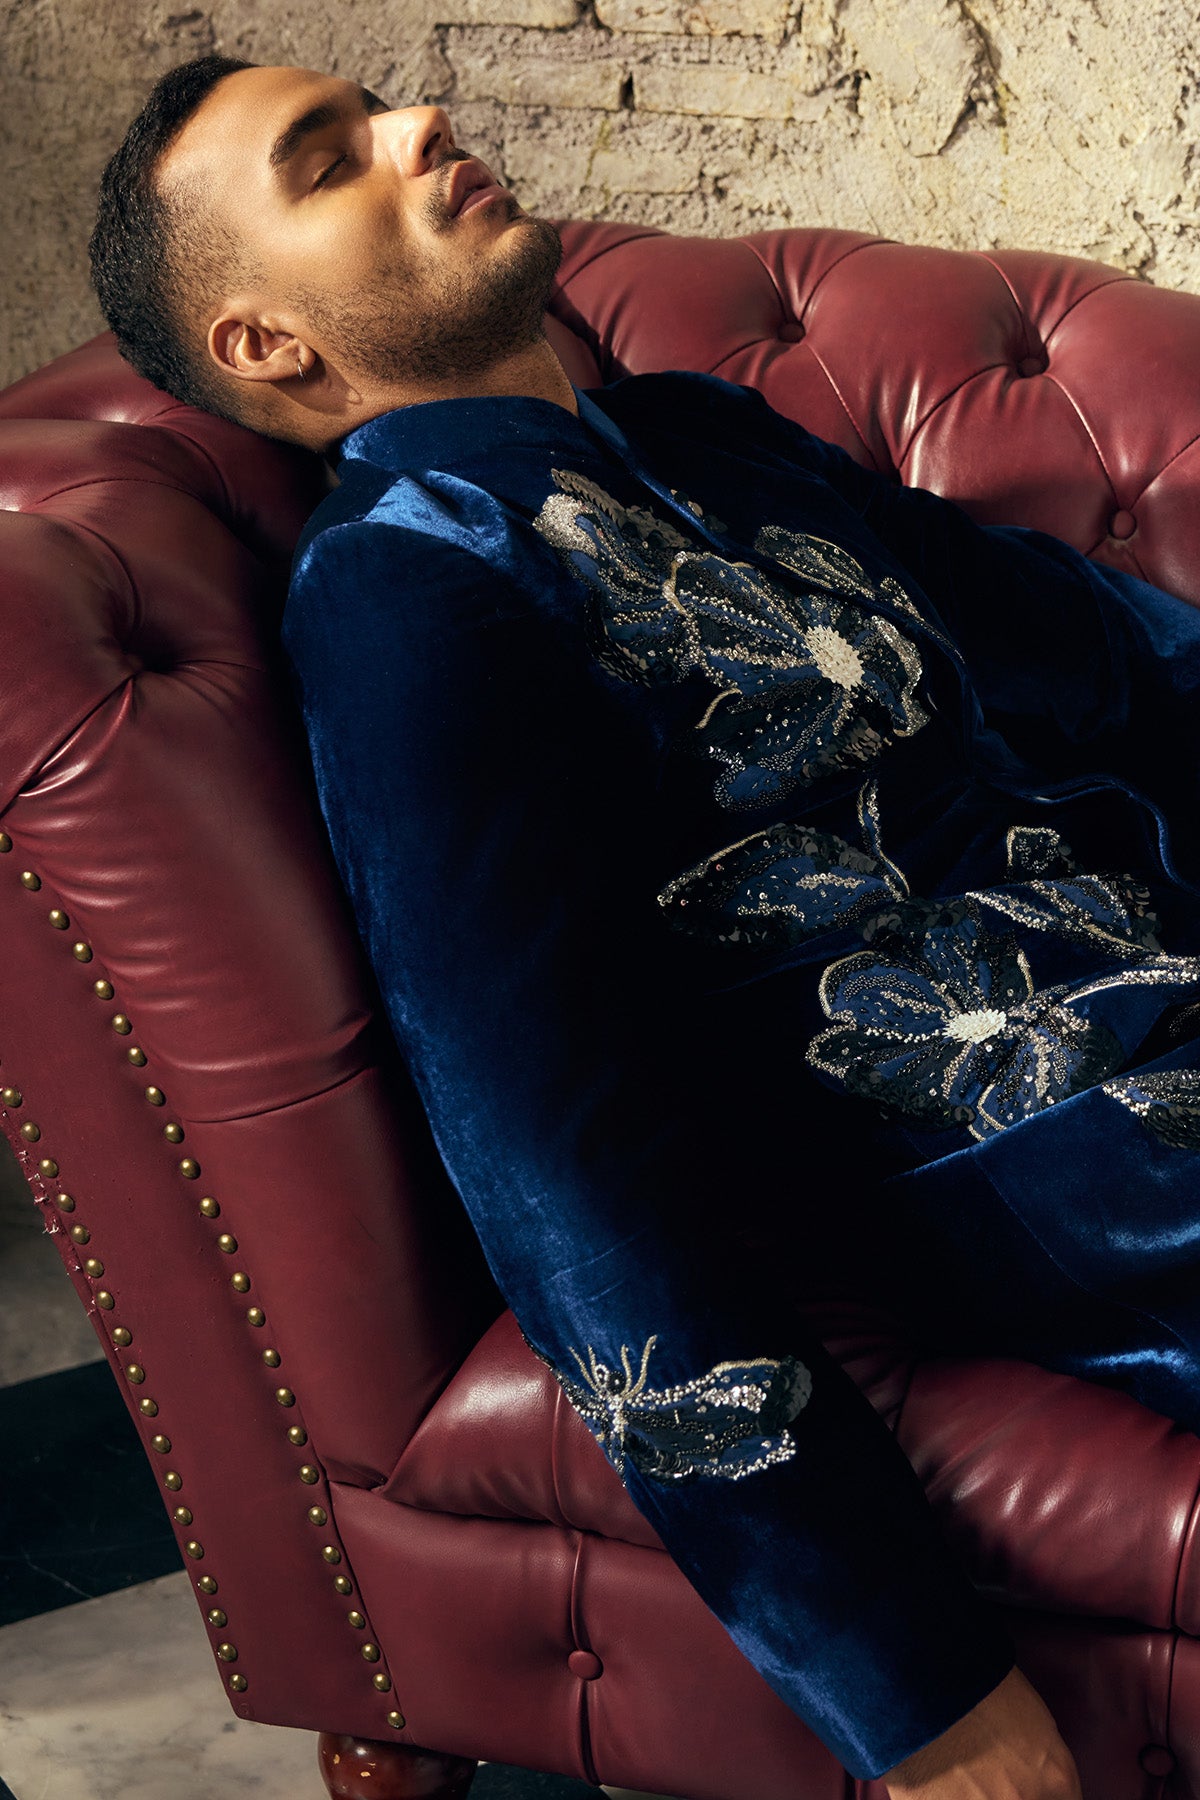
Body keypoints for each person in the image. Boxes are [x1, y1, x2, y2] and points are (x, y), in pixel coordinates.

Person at [87, 51, 1200, 1800]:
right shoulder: (406, 591)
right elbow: (562, 1173)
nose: (418, 128)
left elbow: (1101, 651)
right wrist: (920, 1698)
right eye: (330, 162)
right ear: (266, 343)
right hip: (1087, 1153)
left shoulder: (698, 436)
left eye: (380, 108)